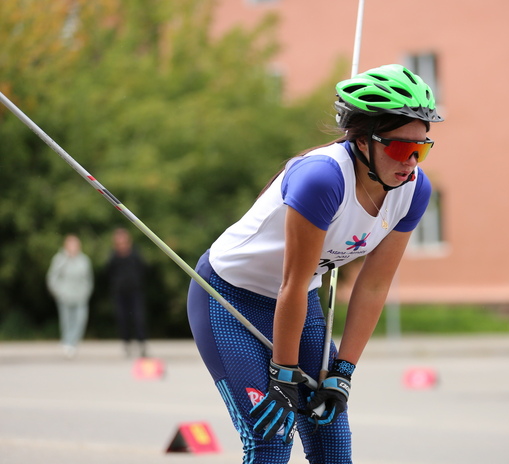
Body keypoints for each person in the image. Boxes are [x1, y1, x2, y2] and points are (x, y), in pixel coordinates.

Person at [187, 64, 442, 463]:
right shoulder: (322, 179)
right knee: (270, 438)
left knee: (333, 446)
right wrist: (284, 373)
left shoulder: (413, 190)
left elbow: (374, 287)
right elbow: (292, 281)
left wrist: (343, 372)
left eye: (421, 148)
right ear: (362, 142)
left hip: (297, 304)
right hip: (229, 297)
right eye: (398, 147)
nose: (411, 161)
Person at [46, 234, 94, 359]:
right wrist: (58, 293)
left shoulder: (84, 260)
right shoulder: (60, 259)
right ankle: (67, 342)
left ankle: (73, 342)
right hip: (65, 296)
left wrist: (86, 292)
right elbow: (52, 278)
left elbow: (88, 279)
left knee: (80, 320)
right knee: (66, 321)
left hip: (80, 296)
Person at [106, 227, 148, 358]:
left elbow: (144, 269)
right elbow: (108, 272)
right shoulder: (113, 256)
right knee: (122, 318)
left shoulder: (135, 254)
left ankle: (142, 344)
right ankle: (126, 344)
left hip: (135, 292)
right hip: (120, 292)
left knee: (138, 318)